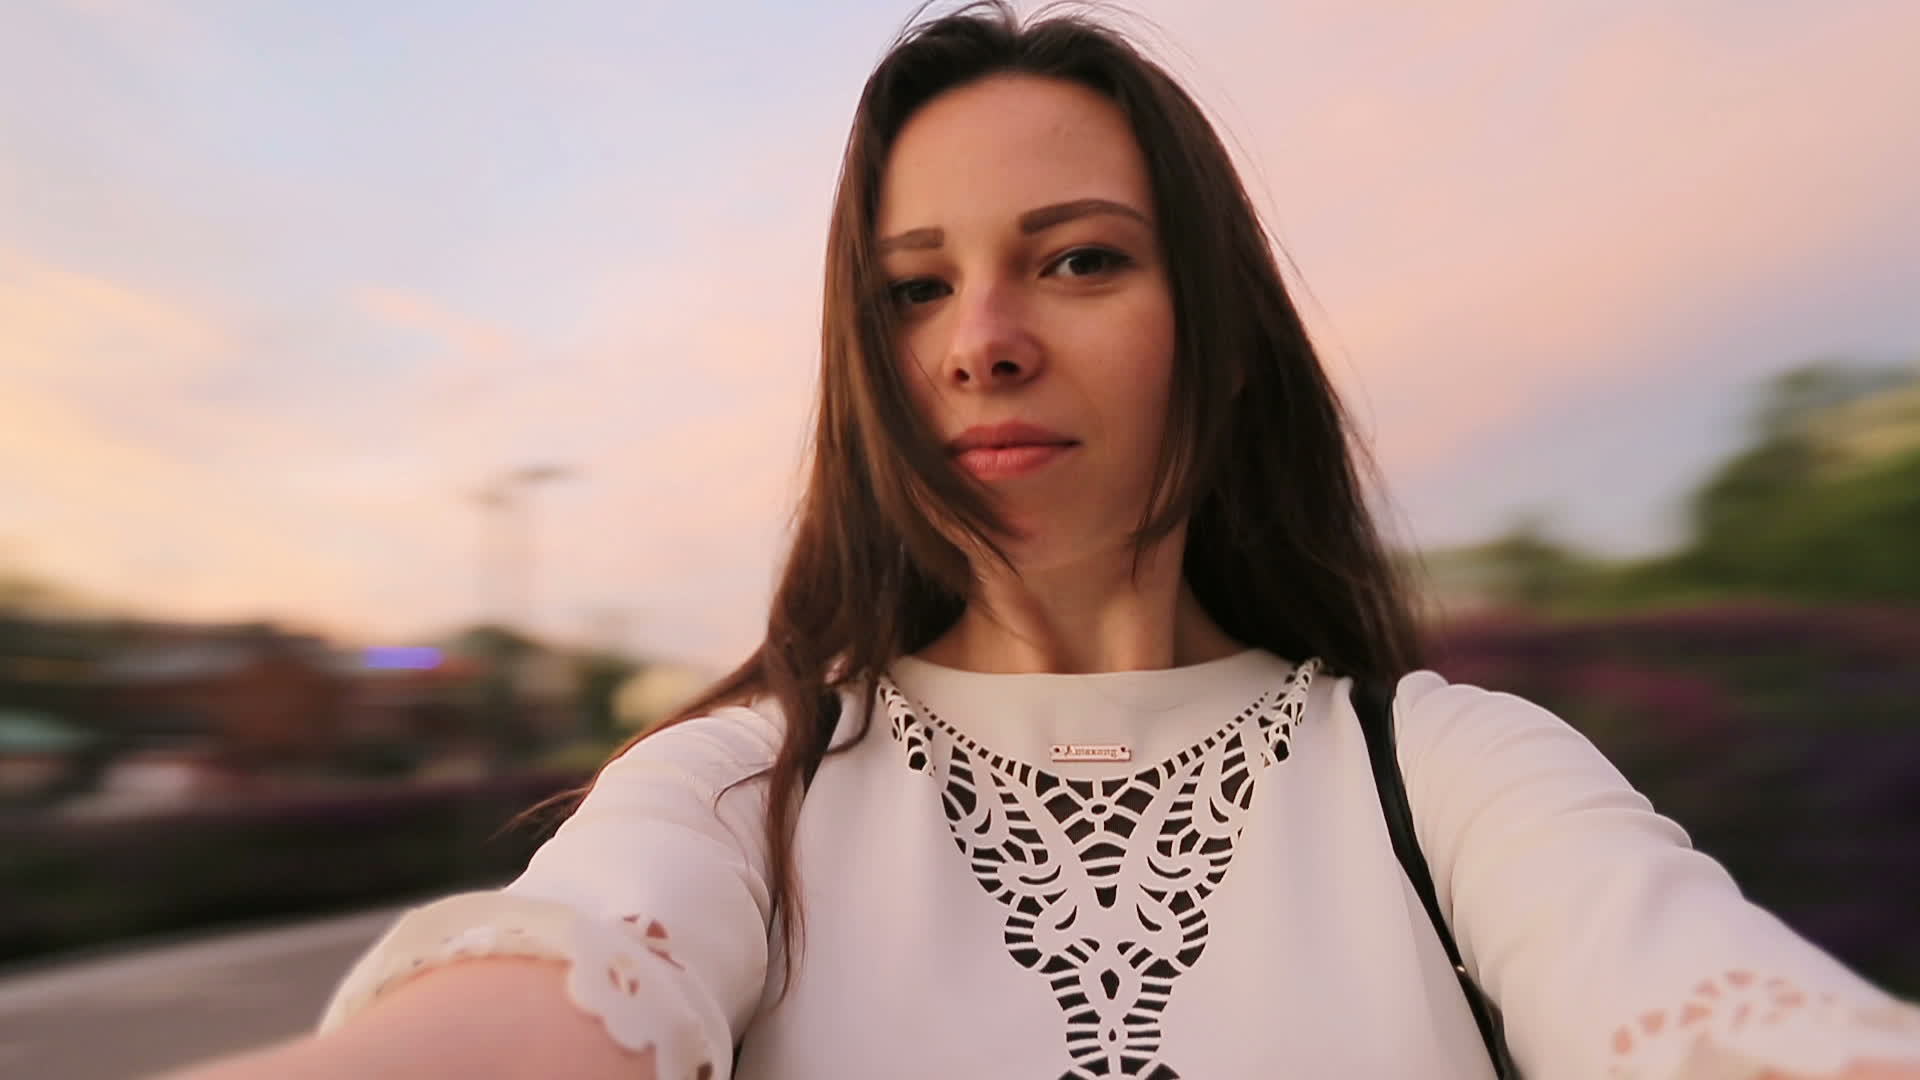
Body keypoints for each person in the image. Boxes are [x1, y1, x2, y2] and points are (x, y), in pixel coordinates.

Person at [161, 4, 1920, 1079]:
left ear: (1210, 327)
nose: (981, 337)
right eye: (914, 287)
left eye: (1077, 257)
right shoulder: (732, 790)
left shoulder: (1448, 773)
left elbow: (1713, 1010)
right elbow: (548, 1009)